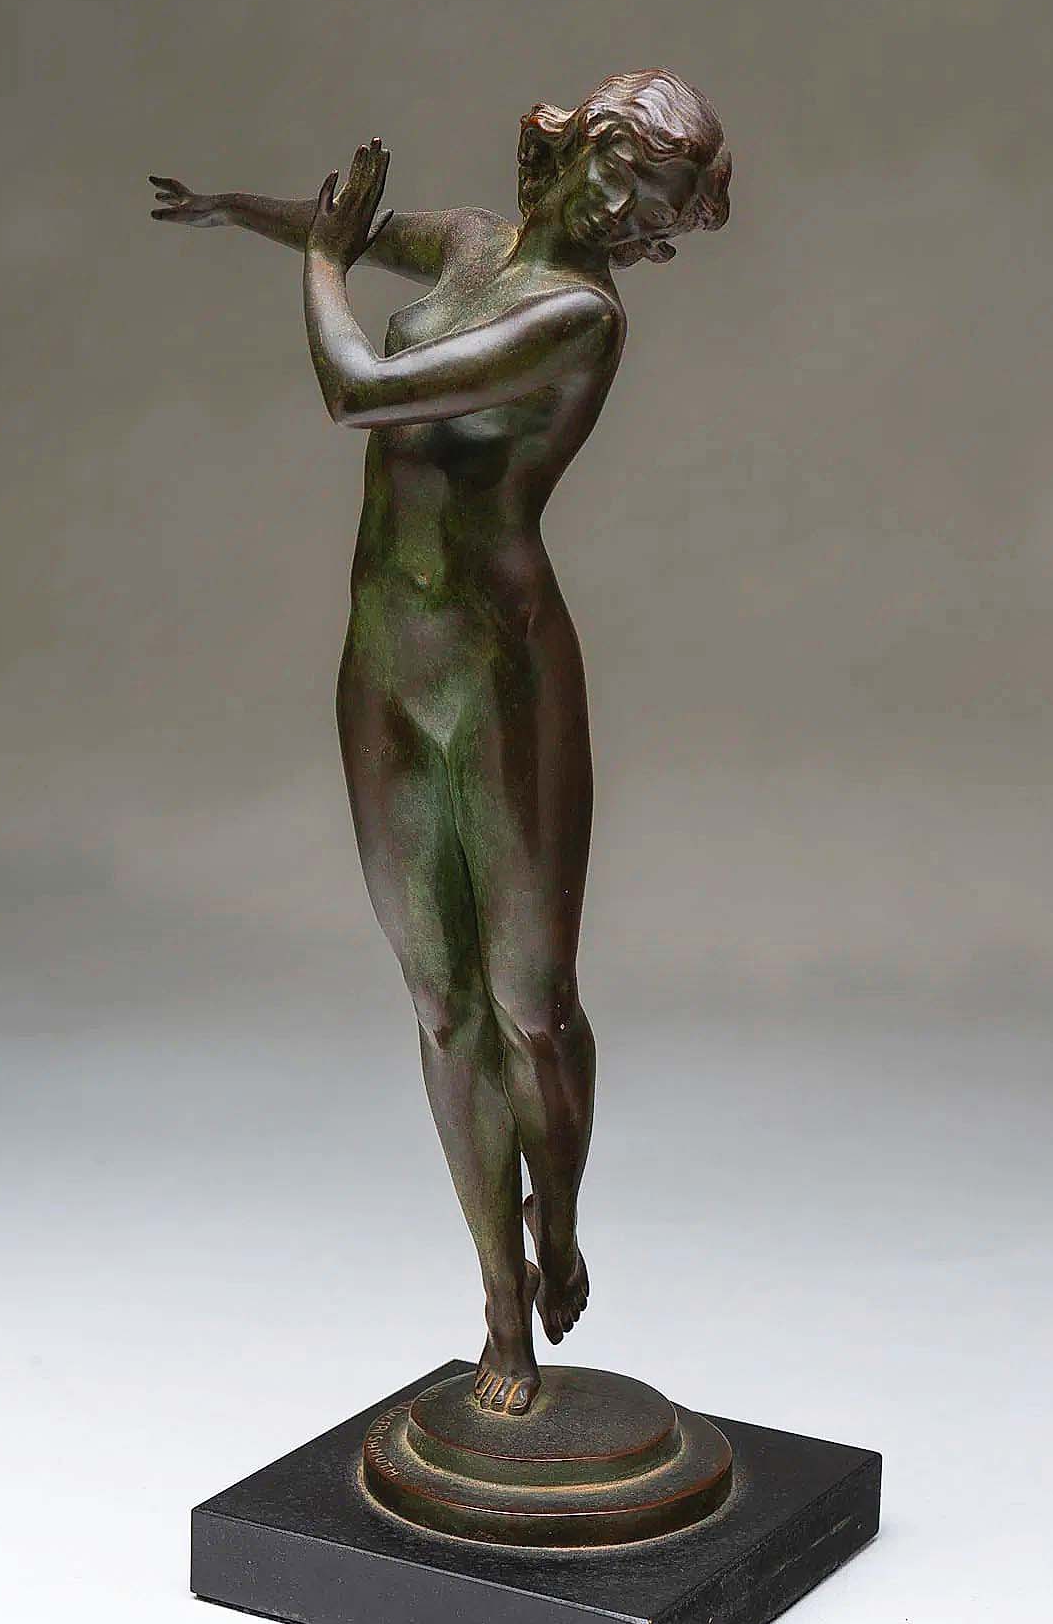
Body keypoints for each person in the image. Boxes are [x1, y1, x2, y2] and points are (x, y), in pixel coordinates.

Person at [150, 71, 731, 1413]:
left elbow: (361, 389)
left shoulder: (579, 317)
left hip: (502, 670)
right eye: (621, 173)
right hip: (387, 664)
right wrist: (243, 210)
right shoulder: (476, 244)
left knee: (533, 1007)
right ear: (582, 146)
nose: (622, 213)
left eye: (649, 208)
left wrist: (314, 265)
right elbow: (360, 226)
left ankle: (558, 1219)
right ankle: (501, 1312)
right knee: (441, 1005)